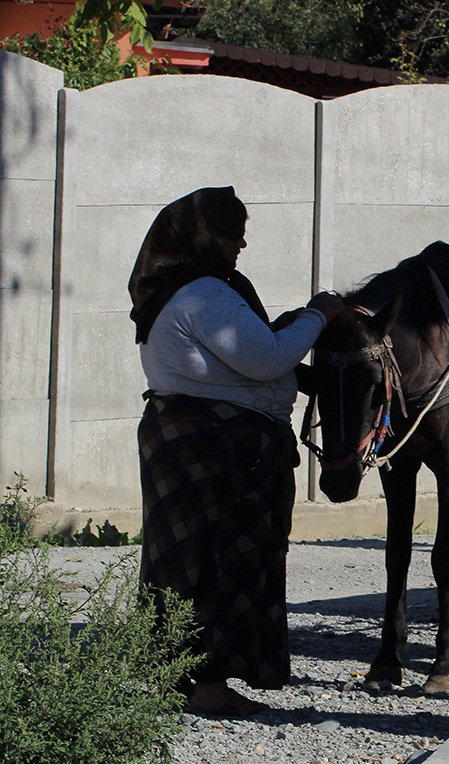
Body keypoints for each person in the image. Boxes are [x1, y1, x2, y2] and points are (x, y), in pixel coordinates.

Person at [128, 186, 344, 716]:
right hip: (218, 453)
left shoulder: (180, 290)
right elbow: (265, 358)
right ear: (201, 236)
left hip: (196, 444)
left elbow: (242, 357)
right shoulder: (203, 294)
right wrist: (317, 316)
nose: (242, 243)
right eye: (232, 233)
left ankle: (178, 680)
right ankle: (206, 687)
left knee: (182, 561)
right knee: (221, 562)